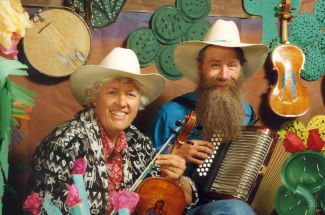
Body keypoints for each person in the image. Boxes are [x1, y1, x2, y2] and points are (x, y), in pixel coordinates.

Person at [24, 48, 198, 214]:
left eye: (130, 94)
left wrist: (176, 178)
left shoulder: (138, 142)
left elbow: (173, 198)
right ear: (94, 98)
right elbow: (43, 208)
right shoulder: (64, 143)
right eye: (112, 92)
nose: (122, 103)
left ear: (139, 102)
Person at [147, 19, 268, 214]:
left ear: (240, 70)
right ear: (199, 68)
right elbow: (141, 171)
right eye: (215, 65)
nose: (223, 75)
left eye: (232, 66)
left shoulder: (246, 113)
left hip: (225, 204)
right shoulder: (170, 113)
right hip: (176, 207)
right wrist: (176, 152)